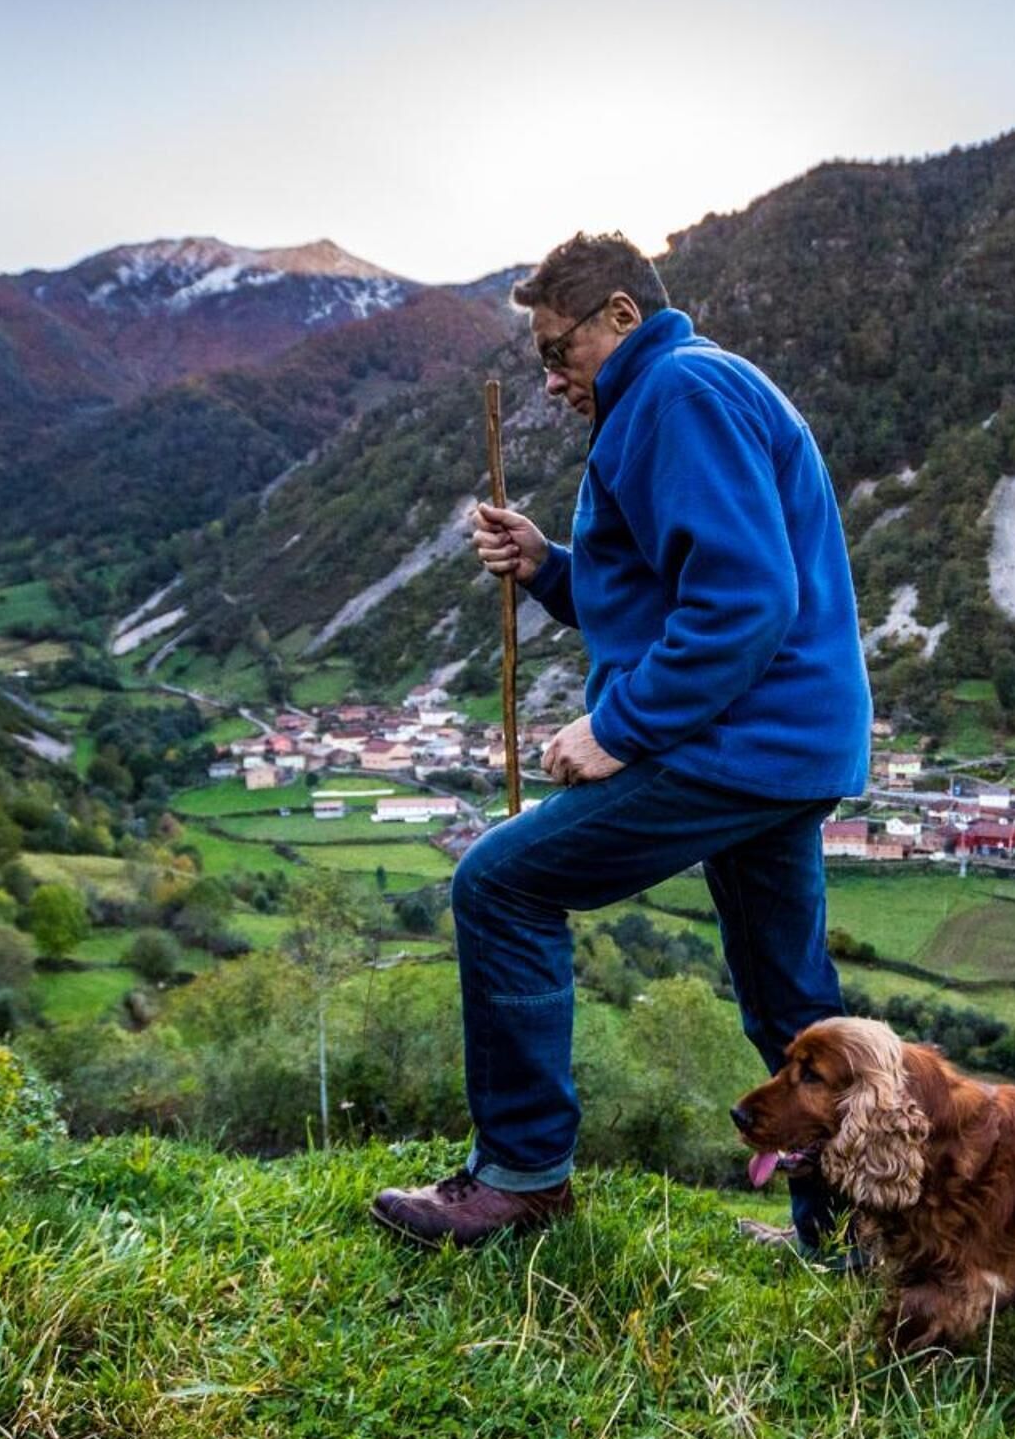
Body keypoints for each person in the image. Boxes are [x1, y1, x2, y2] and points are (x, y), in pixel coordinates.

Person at [370, 231, 871, 1255]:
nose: (550, 379)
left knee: (502, 884)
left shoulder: (678, 395)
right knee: (792, 998)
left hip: (734, 739)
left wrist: (619, 725)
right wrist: (551, 565)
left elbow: (745, 598)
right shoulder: (678, 395)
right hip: (781, 742)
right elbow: (662, 589)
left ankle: (521, 1179)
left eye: (559, 351)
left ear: (620, 318)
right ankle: (858, 1233)